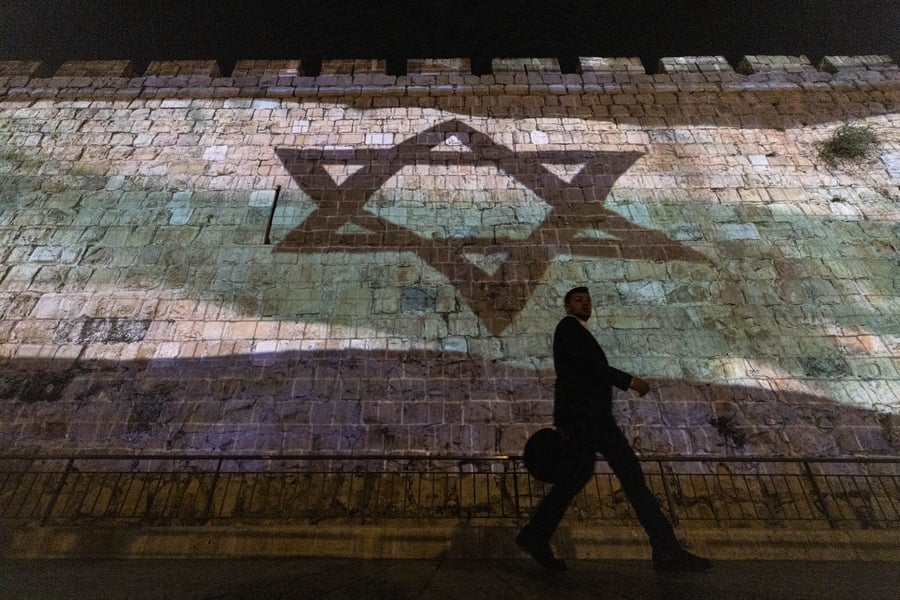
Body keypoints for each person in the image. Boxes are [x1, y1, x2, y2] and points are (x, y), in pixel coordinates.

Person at [516, 286, 712, 572]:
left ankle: (535, 535)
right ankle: (666, 548)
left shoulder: (576, 331)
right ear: (567, 307)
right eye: (578, 300)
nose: (585, 304)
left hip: (586, 418)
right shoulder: (568, 329)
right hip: (588, 419)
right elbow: (590, 367)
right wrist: (629, 380)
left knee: (576, 478)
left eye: (588, 300)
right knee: (630, 475)